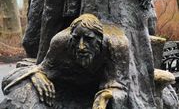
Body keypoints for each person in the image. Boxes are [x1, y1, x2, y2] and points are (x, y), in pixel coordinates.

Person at [1, 14, 129, 109]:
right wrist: (37, 74)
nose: (81, 46)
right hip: (64, 93)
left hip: (94, 92)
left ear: (100, 39)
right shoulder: (60, 42)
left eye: (89, 39)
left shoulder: (117, 45)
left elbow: (119, 84)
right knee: (21, 95)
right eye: (76, 39)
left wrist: (107, 95)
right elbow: (43, 69)